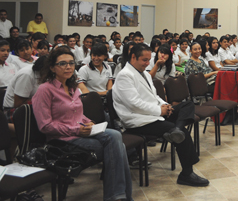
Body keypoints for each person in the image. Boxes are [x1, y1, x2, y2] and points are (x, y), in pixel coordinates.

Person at [33, 47, 132, 201]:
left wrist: (88, 122)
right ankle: (119, 196)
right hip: (61, 141)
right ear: (52, 67)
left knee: (115, 136)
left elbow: (77, 114)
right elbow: (45, 126)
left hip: (80, 134)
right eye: (63, 64)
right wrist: (76, 130)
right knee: (117, 146)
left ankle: (117, 195)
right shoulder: (44, 90)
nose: (68, 67)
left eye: (71, 63)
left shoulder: (72, 87)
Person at [112, 44, 209, 187]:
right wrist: (159, 111)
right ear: (133, 57)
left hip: (153, 113)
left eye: (148, 60)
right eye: (144, 60)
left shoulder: (144, 73)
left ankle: (177, 128)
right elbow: (134, 104)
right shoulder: (124, 76)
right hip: (138, 120)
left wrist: (166, 106)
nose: (147, 63)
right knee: (181, 133)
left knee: (187, 105)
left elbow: (154, 96)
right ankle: (186, 174)